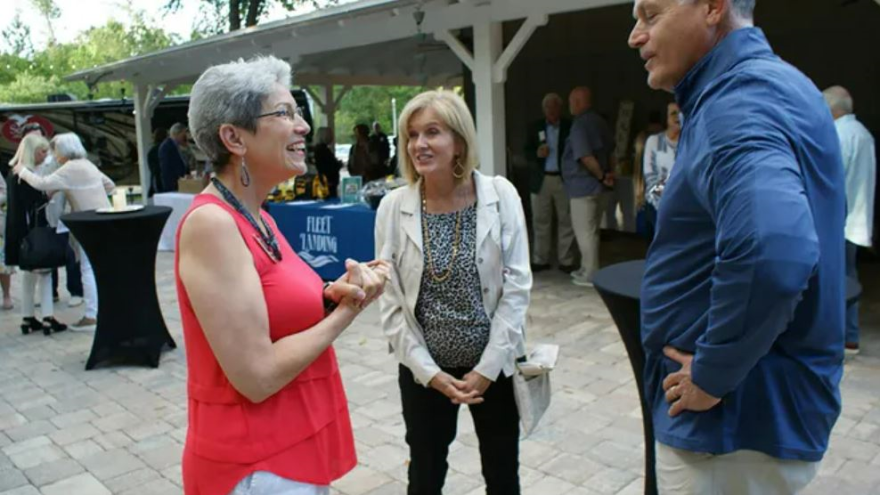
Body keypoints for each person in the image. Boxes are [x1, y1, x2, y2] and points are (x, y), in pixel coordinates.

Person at [629, 1, 845, 493]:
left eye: (651, 15)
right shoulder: (766, 85)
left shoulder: (736, 100)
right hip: (750, 422)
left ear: (711, 7)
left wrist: (711, 374)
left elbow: (774, 249)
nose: (635, 37)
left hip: (733, 430)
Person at [176, 55, 389, 495]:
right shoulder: (213, 224)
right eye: (284, 114)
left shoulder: (259, 216)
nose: (303, 127)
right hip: (256, 464)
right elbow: (256, 375)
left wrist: (333, 291)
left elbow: (272, 306)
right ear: (233, 138)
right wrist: (349, 309)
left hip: (287, 454)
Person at [376, 90, 531, 494]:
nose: (419, 145)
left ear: (459, 141)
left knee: (501, 472)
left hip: (493, 368)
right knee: (424, 473)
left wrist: (487, 368)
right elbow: (391, 304)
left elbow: (517, 288)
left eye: (432, 132)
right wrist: (429, 374)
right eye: (411, 135)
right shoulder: (393, 207)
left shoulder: (500, 196)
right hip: (425, 372)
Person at [14, 133, 116, 332]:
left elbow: (42, 184)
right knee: (99, 268)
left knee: (87, 268)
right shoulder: (88, 164)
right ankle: (104, 310)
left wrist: (23, 171)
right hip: (103, 220)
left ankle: (91, 315)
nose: (54, 154)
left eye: (55, 150)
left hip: (87, 224)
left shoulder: (69, 168)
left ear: (64, 151)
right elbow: (110, 185)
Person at [823, 86, 876, 355]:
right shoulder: (863, 134)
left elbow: (829, 181)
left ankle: (838, 338)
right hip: (856, 220)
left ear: (831, 109)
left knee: (834, 283)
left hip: (840, 223)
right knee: (848, 279)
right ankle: (850, 336)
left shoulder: (839, 135)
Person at [5, 134, 67, 335]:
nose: (45, 155)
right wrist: (51, 192)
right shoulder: (27, 176)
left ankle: (28, 316)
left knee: (28, 277)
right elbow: (37, 202)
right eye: (42, 151)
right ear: (33, 152)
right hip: (36, 232)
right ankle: (48, 317)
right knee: (46, 274)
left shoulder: (12, 174)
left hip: (19, 233)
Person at [561, 86, 615, 287]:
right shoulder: (600, 121)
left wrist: (601, 176)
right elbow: (612, 150)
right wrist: (609, 174)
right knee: (592, 231)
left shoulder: (579, 125)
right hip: (599, 188)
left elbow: (584, 156)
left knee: (584, 231)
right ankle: (586, 267)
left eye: (571, 102)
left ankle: (591, 273)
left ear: (576, 102)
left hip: (584, 187)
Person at [525, 92, 576, 273]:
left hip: (563, 179)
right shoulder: (535, 127)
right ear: (543, 109)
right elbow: (525, 152)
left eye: (555, 106)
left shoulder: (569, 127)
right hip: (541, 179)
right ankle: (540, 259)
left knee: (566, 220)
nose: (551, 110)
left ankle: (566, 260)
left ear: (560, 108)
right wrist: (536, 154)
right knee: (540, 220)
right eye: (548, 107)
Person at [642, 102, 681, 242]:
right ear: (666, 119)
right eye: (673, 113)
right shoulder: (654, 141)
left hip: (682, 207)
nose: (678, 117)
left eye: (681, 112)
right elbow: (650, 177)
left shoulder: (689, 142)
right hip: (656, 205)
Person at [313, 127, 343, 199]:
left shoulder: (319, 149)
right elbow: (328, 167)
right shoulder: (323, 151)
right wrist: (338, 164)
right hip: (328, 182)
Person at [159, 123, 189, 192]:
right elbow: (166, 168)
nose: (185, 137)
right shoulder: (167, 147)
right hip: (172, 184)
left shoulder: (176, 146)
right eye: (183, 134)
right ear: (177, 133)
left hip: (179, 182)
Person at [147, 127, 169, 197]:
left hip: (157, 179)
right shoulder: (167, 149)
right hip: (164, 180)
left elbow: (152, 169)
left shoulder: (152, 151)